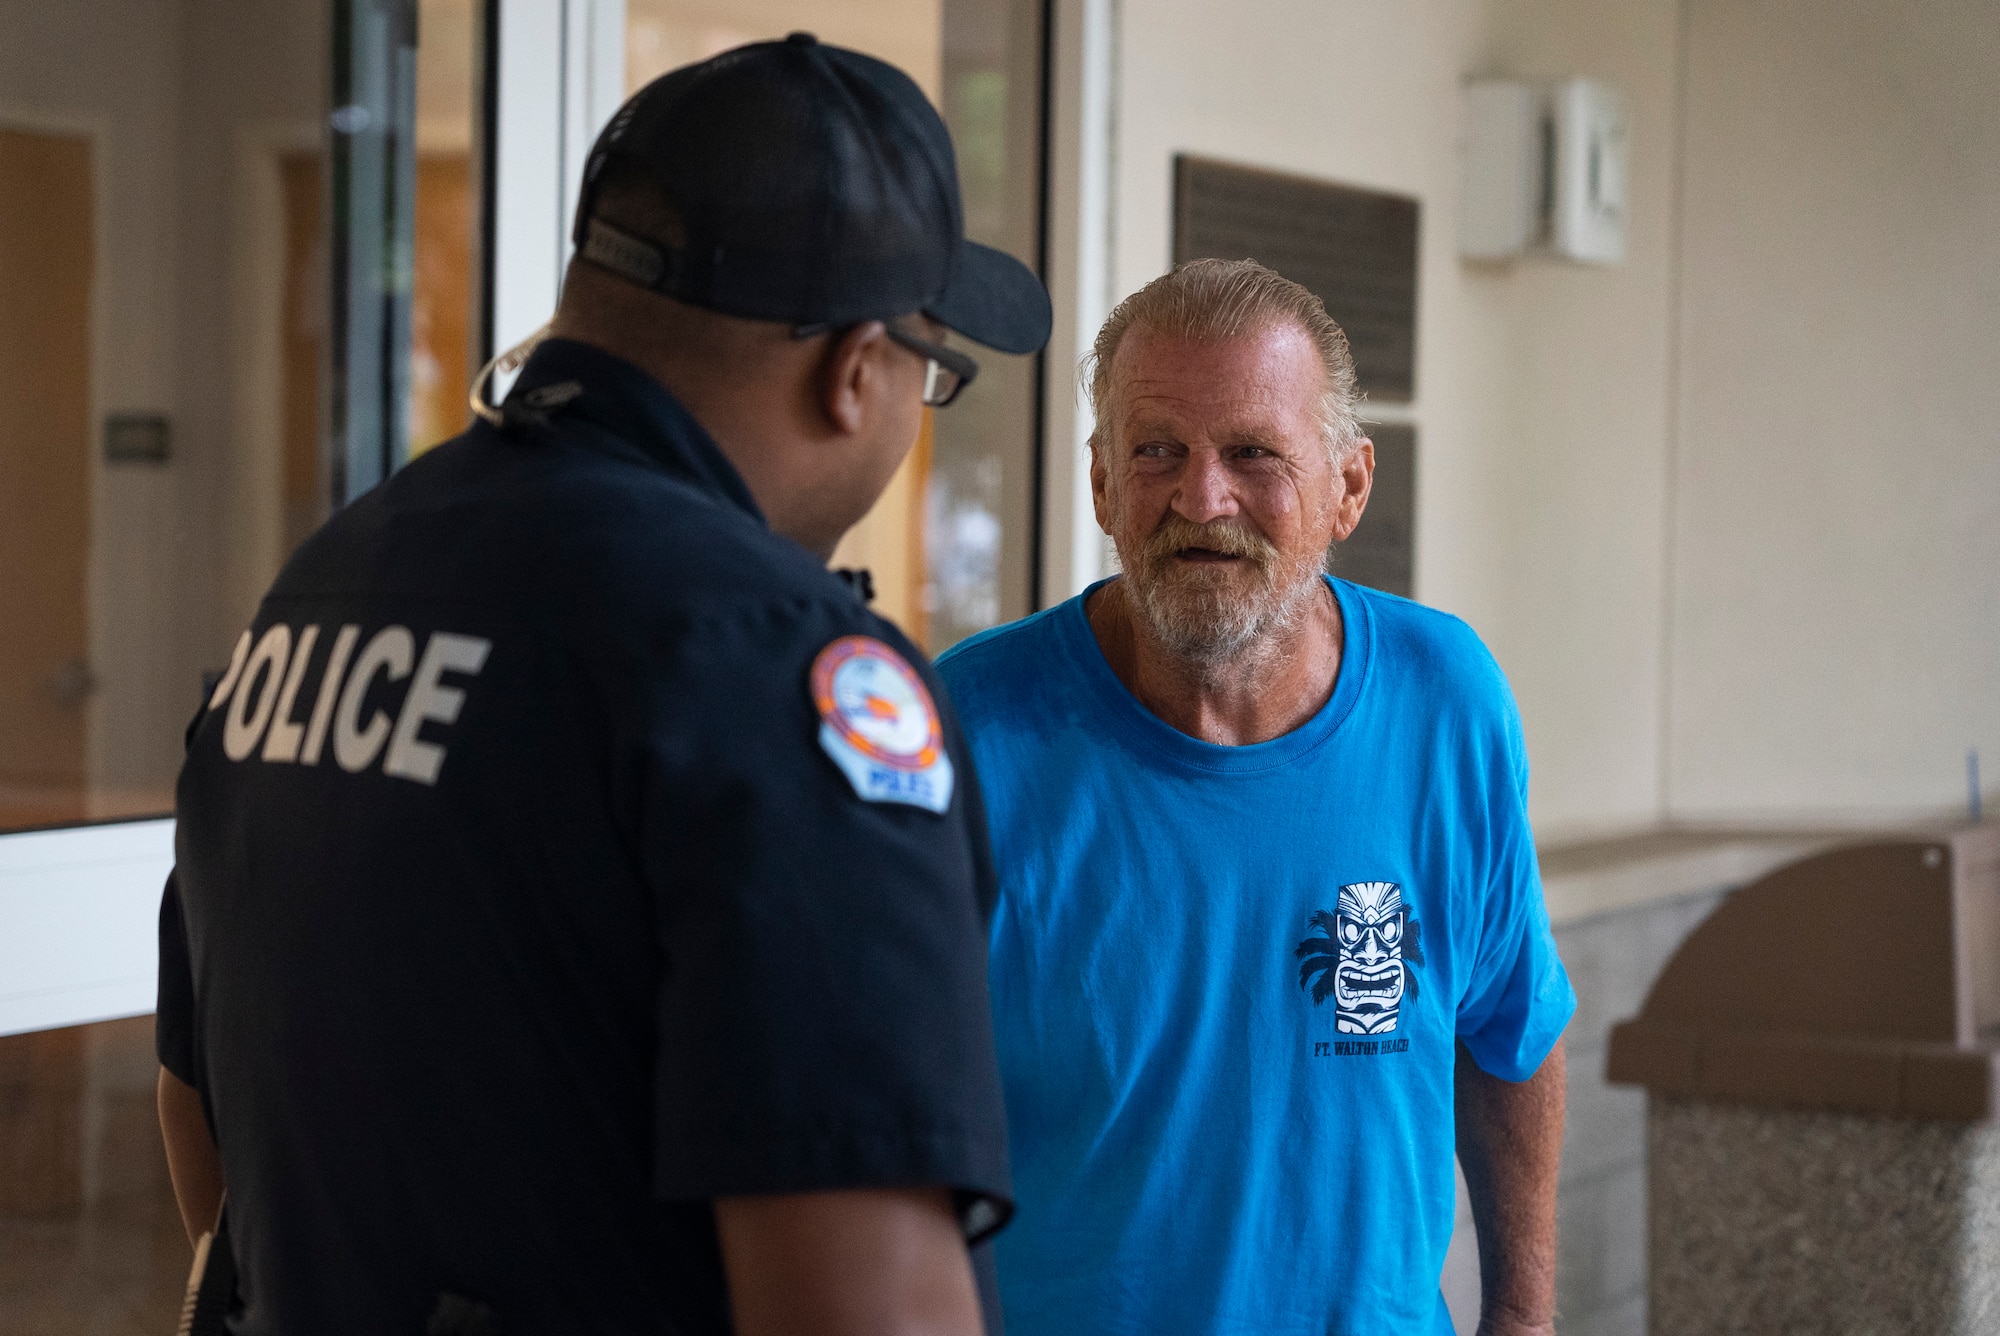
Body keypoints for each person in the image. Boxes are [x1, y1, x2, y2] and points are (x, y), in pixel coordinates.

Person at [155, 34, 1049, 1336]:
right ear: (856, 372)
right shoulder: (776, 673)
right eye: (935, 372)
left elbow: (207, 1129)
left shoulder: (331, 584)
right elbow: (869, 1304)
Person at [936, 258, 1573, 1336]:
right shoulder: (969, 728)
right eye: (1155, 451)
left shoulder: (1445, 700)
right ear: (1099, 483)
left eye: (1251, 453)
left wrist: (1519, 1314)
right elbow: (874, 1113)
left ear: (1347, 488)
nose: (1200, 497)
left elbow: (1504, 1033)